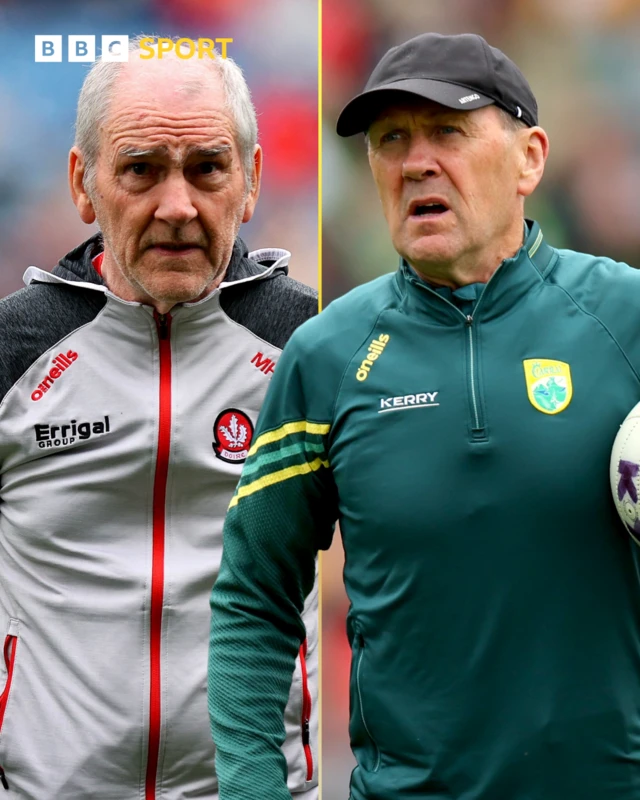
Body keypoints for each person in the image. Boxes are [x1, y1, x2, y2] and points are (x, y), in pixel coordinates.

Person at [208, 31, 640, 800]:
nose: (415, 162)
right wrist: (251, 788)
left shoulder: (626, 317)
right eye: (390, 140)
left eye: (448, 132)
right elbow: (252, 595)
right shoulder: (327, 355)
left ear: (530, 159)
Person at [0, 36, 318, 800]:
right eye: (141, 169)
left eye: (207, 168)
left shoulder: (312, 347)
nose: (176, 206)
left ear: (251, 181)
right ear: (84, 183)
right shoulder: (14, 352)